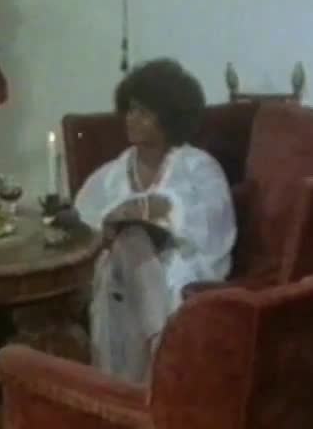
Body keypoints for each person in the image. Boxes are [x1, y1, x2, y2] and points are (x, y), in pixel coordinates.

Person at [73, 58, 236, 384]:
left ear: (169, 118)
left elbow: (213, 227)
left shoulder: (199, 167)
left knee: (132, 239)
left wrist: (148, 210)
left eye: (144, 112)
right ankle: (159, 346)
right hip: (118, 273)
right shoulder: (111, 174)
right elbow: (83, 227)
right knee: (128, 242)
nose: (131, 118)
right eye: (130, 109)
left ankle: (126, 386)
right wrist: (113, 225)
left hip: (178, 267)